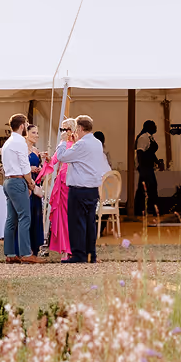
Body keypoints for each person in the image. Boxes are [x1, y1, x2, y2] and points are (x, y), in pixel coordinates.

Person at [56, 113, 111, 263]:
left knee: (77, 222)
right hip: (93, 188)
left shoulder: (81, 144)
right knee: (89, 223)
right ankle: (90, 254)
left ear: (79, 128)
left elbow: (62, 157)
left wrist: (63, 141)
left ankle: (79, 254)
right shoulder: (96, 143)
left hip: (79, 188)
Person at [1, 114, 45, 264]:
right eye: (26, 125)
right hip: (18, 181)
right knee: (25, 217)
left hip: (8, 181)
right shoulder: (19, 142)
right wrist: (31, 183)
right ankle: (26, 253)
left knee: (11, 219)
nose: (27, 127)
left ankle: (10, 253)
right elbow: (24, 166)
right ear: (22, 126)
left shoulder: (7, 142)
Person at [37, 118, 74, 256]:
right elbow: (55, 161)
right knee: (62, 215)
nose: (63, 132)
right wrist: (48, 159)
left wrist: (63, 142)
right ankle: (65, 249)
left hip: (69, 180)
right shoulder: (63, 144)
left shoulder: (73, 144)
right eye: (61, 129)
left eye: (66, 129)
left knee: (68, 215)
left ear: (72, 130)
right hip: (62, 180)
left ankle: (70, 248)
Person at [134, 119, 163, 216]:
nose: (155, 127)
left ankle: (143, 210)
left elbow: (151, 153)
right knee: (148, 187)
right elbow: (140, 152)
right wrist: (141, 167)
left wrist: (157, 162)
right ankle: (148, 210)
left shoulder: (150, 137)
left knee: (145, 188)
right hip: (144, 167)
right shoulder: (143, 137)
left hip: (149, 167)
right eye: (153, 125)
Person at [26, 124, 45, 256]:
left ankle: (35, 247)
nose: (36, 135)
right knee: (27, 215)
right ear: (26, 133)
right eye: (33, 132)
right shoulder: (22, 150)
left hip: (36, 184)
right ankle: (26, 247)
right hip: (26, 184)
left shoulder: (36, 151)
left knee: (36, 214)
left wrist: (41, 167)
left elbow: (42, 168)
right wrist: (29, 169)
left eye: (37, 133)